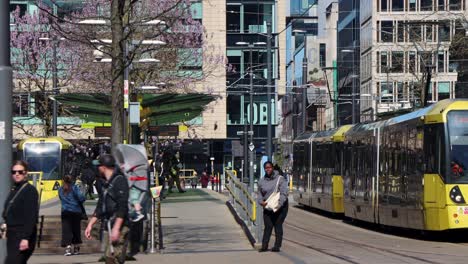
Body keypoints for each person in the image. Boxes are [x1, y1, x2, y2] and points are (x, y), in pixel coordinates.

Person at [85, 155, 129, 264]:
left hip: (119, 224)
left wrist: (117, 228)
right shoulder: (105, 183)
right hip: (108, 225)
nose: (97, 168)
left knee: (114, 257)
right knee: (109, 258)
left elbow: (122, 206)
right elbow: (101, 206)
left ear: (103, 167)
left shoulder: (120, 181)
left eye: (99, 166)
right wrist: (90, 224)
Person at [2, 160, 39, 264]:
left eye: (20, 172)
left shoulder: (29, 190)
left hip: (22, 235)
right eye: (14, 172)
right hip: (12, 236)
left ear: (26, 173)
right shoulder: (14, 190)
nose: (17, 174)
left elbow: (31, 216)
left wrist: (25, 238)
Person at [257, 161, 289, 252]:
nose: (268, 169)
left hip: (281, 206)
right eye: (266, 168)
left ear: (273, 168)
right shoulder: (261, 181)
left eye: (269, 167)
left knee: (277, 225)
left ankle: (277, 246)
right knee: (268, 226)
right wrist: (260, 202)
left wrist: (279, 205)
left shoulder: (280, 179)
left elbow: (284, 193)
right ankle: (264, 246)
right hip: (267, 206)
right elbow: (259, 194)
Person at [59, 174, 86, 256]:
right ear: (72, 181)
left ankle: (68, 247)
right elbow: (81, 198)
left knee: (66, 230)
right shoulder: (74, 188)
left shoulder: (61, 189)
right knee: (76, 229)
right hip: (76, 211)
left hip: (65, 212)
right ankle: (76, 247)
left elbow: (61, 198)